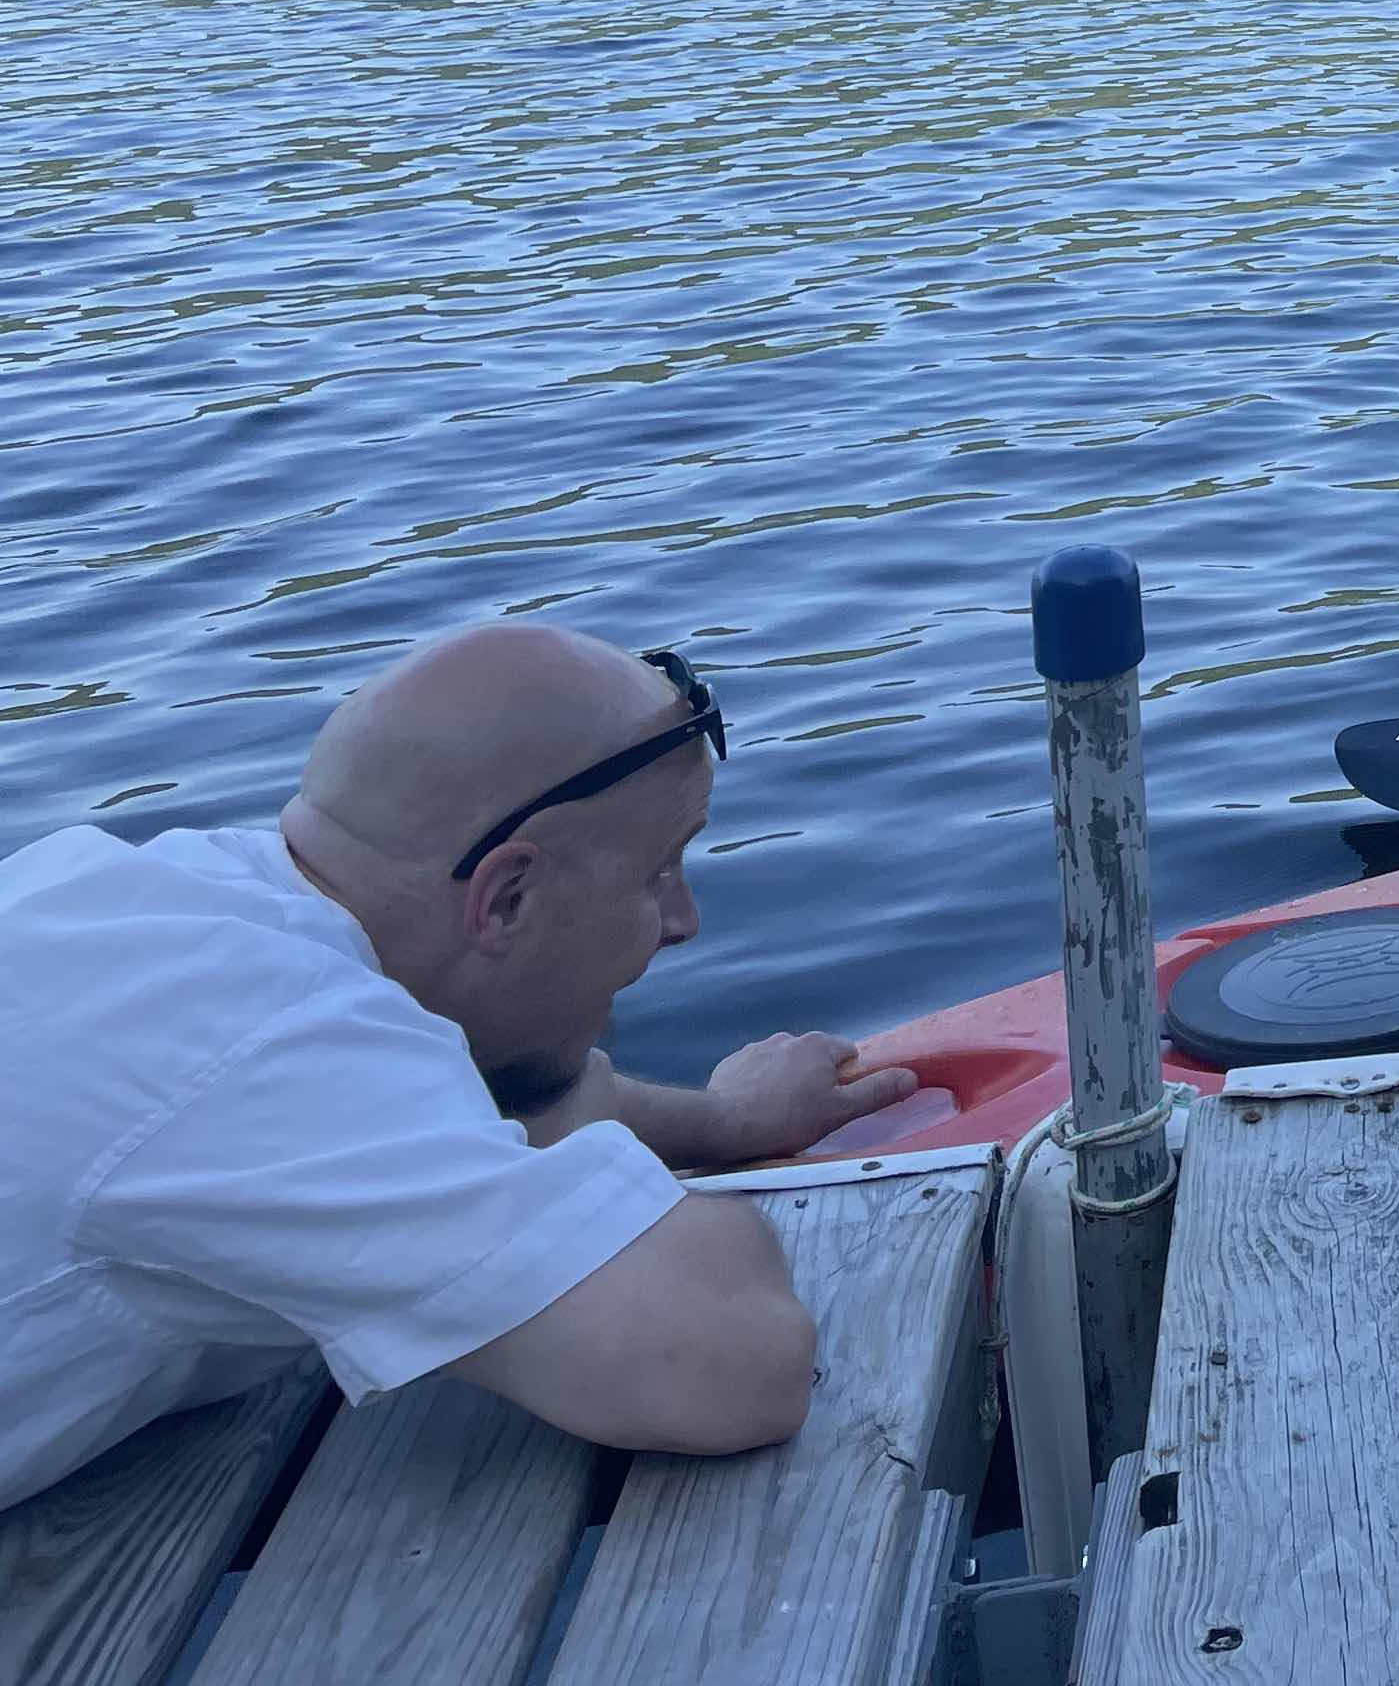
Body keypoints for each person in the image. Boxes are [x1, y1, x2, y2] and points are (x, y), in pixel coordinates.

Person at [0, 623, 919, 1507]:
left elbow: (437, 1104)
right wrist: (593, 1165)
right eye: (656, 875)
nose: (683, 921)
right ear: (507, 897)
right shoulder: (265, 1046)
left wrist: (719, 1124)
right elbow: (727, 1365)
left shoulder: (149, 898)